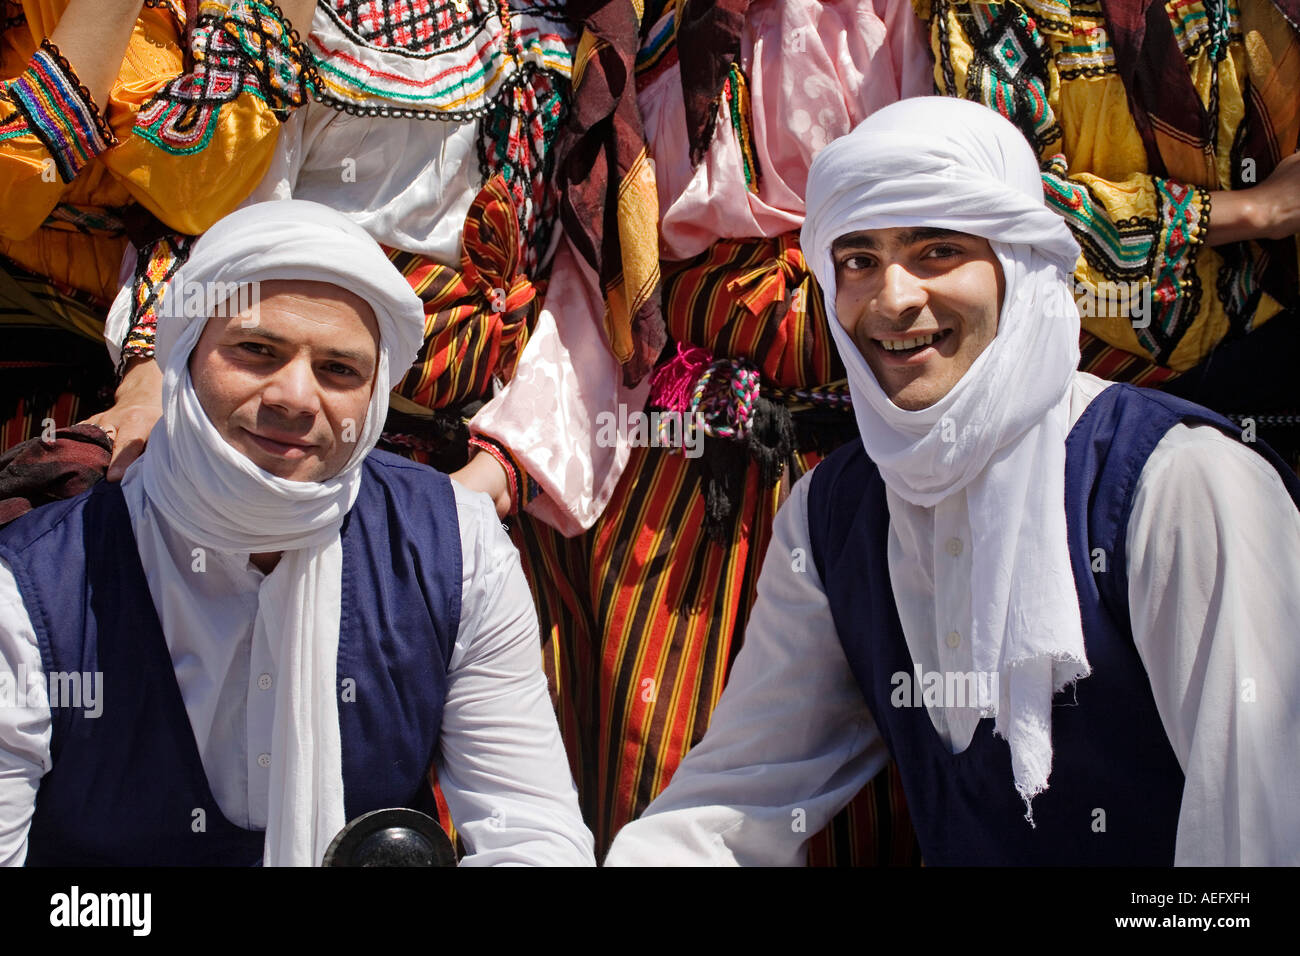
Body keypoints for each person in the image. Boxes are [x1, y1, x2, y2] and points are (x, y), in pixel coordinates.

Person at [604, 97, 1300, 866]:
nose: (894, 298)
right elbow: (736, 807)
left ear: (1020, 265)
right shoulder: (834, 516)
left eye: (936, 250)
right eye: (859, 259)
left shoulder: (1184, 485)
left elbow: (1261, 839)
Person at [0, 200, 595, 866]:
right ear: (186, 355)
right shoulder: (31, 588)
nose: (294, 396)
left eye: (339, 370)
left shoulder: (454, 547)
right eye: (257, 351)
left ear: (374, 399)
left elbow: (531, 830)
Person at [913, 0, 1300, 461]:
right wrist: (1256, 210)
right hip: (1110, 375)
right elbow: (1010, 206)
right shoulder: (997, 8)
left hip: (1274, 332)